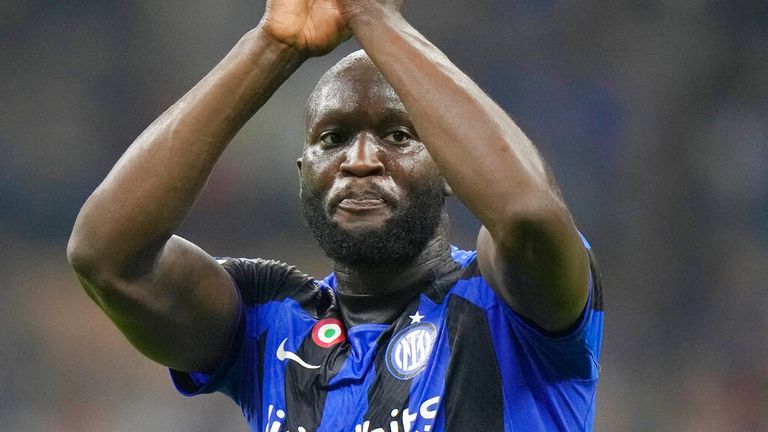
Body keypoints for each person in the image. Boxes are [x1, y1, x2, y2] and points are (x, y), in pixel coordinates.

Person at [67, 0, 604, 430]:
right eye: (334, 138)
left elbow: (530, 216)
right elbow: (107, 257)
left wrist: (372, 13)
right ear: (304, 171)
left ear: (451, 171)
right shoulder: (267, 318)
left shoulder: (505, 298)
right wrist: (272, 46)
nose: (362, 161)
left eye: (398, 135)